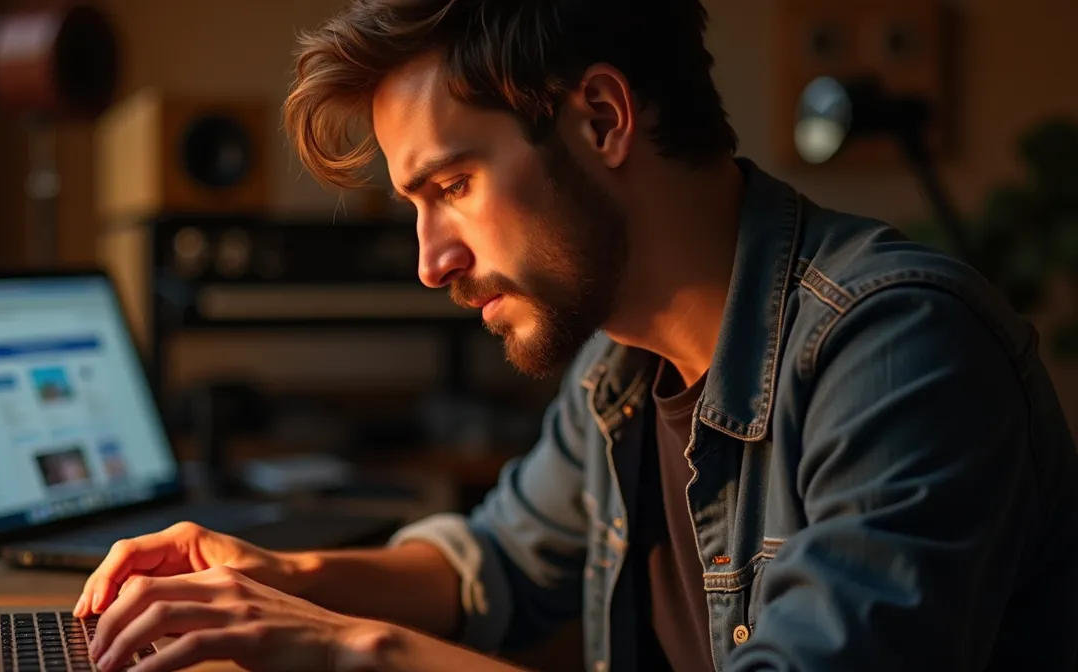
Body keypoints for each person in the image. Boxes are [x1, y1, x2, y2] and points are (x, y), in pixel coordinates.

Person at [73, 0, 1078, 670]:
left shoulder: (899, 350)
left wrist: (353, 650)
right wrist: (276, 581)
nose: (431, 261)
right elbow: (497, 563)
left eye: (451, 187)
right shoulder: (621, 365)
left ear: (600, 118)